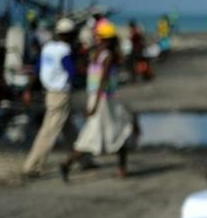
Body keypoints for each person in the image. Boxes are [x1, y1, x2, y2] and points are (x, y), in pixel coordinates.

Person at [60, 19, 134, 181]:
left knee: (113, 132)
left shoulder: (95, 54)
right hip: (105, 100)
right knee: (115, 132)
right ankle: (67, 162)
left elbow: (92, 78)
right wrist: (94, 106)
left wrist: (92, 102)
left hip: (96, 98)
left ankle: (122, 169)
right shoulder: (108, 56)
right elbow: (103, 80)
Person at [21, 18, 78, 178]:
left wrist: (28, 90)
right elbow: (72, 72)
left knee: (69, 129)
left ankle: (84, 159)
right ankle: (32, 166)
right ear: (70, 35)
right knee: (49, 131)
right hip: (60, 94)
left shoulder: (47, 48)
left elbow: (37, 69)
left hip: (49, 93)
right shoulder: (65, 50)